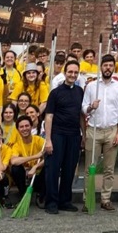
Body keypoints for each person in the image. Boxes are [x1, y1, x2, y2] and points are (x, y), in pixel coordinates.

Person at [82, 53, 118, 211]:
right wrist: (90, 107)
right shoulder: (92, 86)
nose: (108, 68)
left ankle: (106, 198)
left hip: (111, 131)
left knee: (109, 169)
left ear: (114, 67)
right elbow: (83, 108)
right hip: (94, 130)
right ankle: (88, 199)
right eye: (105, 65)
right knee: (89, 168)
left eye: (110, 65)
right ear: (100, 67)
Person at [42, 60, 85, 214]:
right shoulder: (55, 93)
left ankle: (65, 201)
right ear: (65, 73)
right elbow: (49, 116)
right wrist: (48, 140)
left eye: (75, 72)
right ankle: (51, 202)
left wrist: (84, 136)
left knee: (69, 169)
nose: (72, 75)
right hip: (57, 135)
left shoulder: (80, 92)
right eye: (70, 72)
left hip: (74, 135)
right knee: (53, 170)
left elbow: (81, 115)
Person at [8, 114, 46, 204]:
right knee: (15, 168)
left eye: (27, 126)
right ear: (18, 129)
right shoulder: (17, 145)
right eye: (21, 127)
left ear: (31, 126)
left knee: (49, 166)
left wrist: (35, 167)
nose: (24, 129)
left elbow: (48, 158)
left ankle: (41, 195)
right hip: (25, 177)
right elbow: (13, 161)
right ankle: (23, 194)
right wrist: (35, 156)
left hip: (38, 175)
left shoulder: (39, 140)